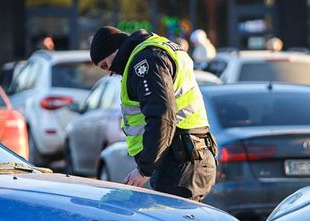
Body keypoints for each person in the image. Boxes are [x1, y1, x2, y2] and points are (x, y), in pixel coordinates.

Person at [89, 26, 217, 201]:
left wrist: (144, 169)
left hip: (181, 160)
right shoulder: (153, 52)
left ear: (115, 50)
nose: (110, 72)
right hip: (184, 156)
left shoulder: (145, 61)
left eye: (105, 65)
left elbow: (162, 114)